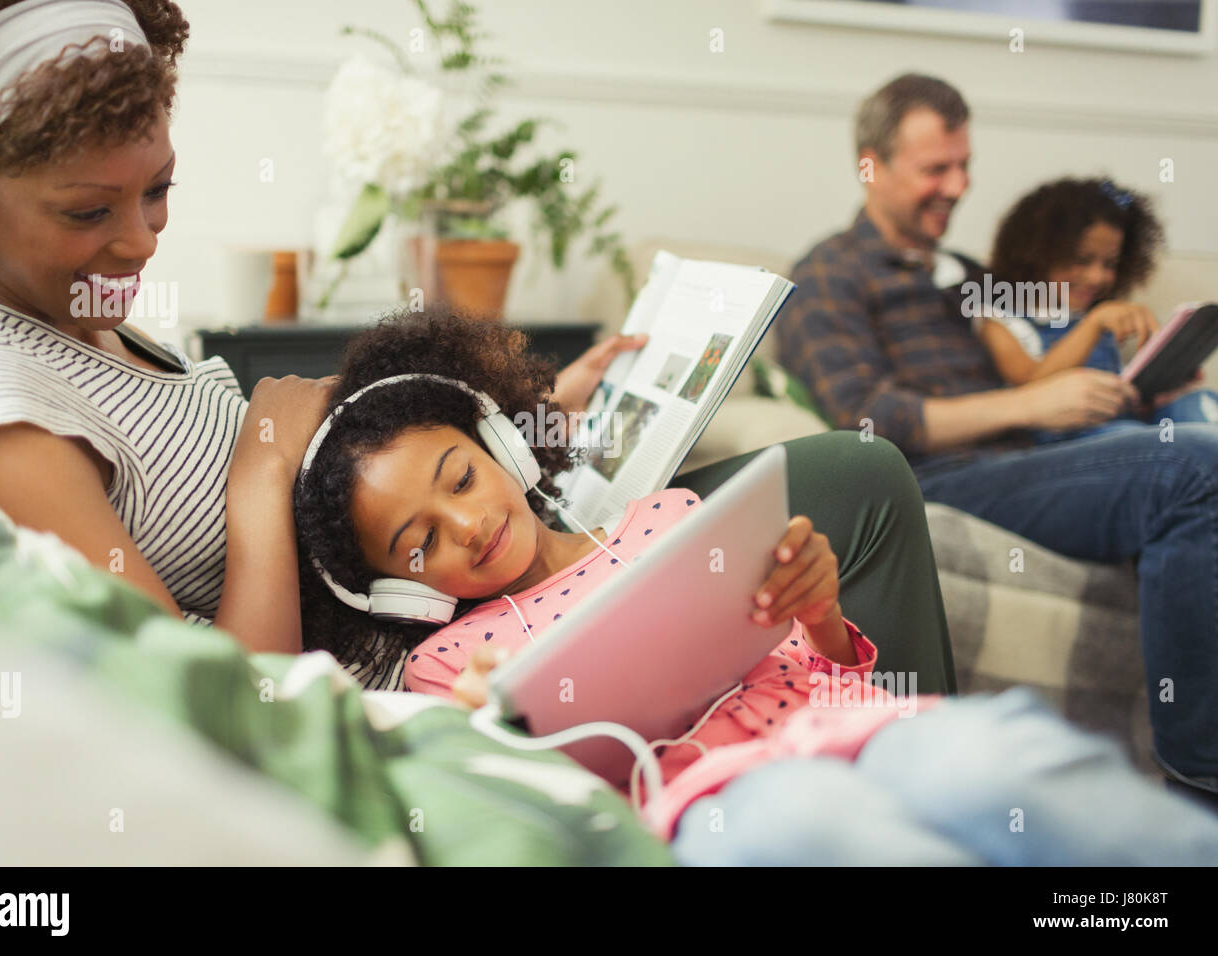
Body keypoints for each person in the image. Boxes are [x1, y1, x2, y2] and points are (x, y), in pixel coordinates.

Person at [0, 1, 955, 695]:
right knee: (848, 480)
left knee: (832, 490)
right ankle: (891, 748)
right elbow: (209, 710)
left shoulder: (80, 315)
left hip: (467, 570)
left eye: (157, 192)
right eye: (87, 209)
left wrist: (543, 417)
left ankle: (870, 740)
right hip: (438, 647)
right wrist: (260, 475)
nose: (140, 240)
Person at [290, 307, 1218, 864]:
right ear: (397, 595)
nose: (467, 526)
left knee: (995, 766)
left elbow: (812, 660)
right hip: (709, 797)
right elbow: (513, 791)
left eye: (461, 479)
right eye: (418, 546)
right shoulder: (447, 660)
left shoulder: (663, 523)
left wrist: (819, 611)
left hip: (847, 724)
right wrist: (497, 719)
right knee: (814, 830)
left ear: (499, 445)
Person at [777, 72, 1218, 797]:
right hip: (937, 475)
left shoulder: (969, 276)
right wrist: (1031, 408)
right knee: (1194, 470)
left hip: (1037, 458)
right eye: (935, 169)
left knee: (1187, 442)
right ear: (872, 165)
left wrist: (1136, 389)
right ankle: (1200, 780)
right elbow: (868, 416)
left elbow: (1040, 362)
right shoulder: (829, 274)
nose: (957, 186)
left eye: (965, 166)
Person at [982, 176, 1218, 440]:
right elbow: (1029, 388)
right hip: (1069, 438)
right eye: (1081, 260)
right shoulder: (1000, 320)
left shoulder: (1095, 315)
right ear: (1036, 252)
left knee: (1195, 402)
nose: (1097, 277)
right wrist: (1092, 325)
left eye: (1110, 264)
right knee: (1128, 435)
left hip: (1128, 423)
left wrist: (1162, 380)